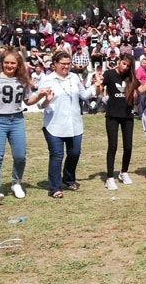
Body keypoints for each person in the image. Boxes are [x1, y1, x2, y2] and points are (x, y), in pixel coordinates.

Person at [0, 47, 43, 203]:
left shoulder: (22, 80)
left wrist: (40, 96)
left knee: (20, 156)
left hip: (17, 119)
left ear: (18, 64)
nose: (10, 66)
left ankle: (16, 182)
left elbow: (28, 100)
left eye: (13, 63)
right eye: (7, 62)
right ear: (1, 63)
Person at [37, 51, 101, 198]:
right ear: (54, 65)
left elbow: (84, 95)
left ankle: (68, 178)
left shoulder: (74, 77)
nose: (66, 66)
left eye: (68, 63)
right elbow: (40, 105)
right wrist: (47, 99)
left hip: (74, 124)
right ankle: (54, 187)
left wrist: (95, 86)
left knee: (74, 153)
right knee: (57, 155)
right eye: (63, 64)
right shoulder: (48, 80)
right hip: (54, 124)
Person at [101, 53, 138, 189]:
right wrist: (98, 83)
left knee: (128, 146)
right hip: (112, 115)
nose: (125, 67)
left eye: (128, 66)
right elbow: (100, 87)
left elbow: (141, 90)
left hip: (128, 115)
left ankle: (124, 172)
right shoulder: (109, 74)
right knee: (113, 146)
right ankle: (110, 177)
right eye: (124, 63)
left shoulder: (131, 77)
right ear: (119, 61)